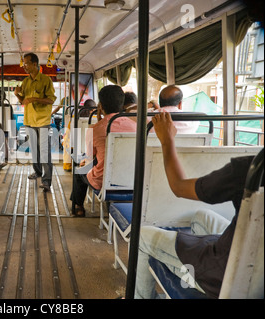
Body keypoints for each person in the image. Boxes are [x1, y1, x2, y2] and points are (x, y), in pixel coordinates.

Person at [134, 111, 262, 299]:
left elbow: (178, 187)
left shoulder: (253, 171)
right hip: (256, 265)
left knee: (142, 236)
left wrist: (167, 139)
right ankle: (187, 276)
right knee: (201, 215)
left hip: (226, 276)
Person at [70, 85, 137, 217]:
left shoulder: (95, 129)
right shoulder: (135, 126)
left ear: (100, 106)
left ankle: (78, 206)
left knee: (79, 171)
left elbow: (90, 158)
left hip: (103, 182)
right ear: (122, 104)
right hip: (133, 180)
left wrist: (100, 121)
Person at [14, 52, 57, 192]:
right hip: (29, 121)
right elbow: (23, 102)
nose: (24, 66)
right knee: (34, 151)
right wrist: (17, 95)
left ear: (34, 64)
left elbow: (51, 100)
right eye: (23, 63)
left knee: (44, 152)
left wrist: (34, 99)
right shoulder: (26, 82)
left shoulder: (46, 80)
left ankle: (46, 181)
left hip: (43, 121)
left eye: (26, 63)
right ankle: (38, 172)